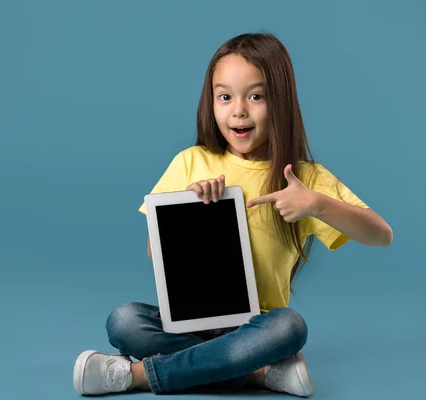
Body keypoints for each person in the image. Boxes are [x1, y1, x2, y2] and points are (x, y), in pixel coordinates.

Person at [72, 32, 393, 397]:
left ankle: (140, 375)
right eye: (225, 97)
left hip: (257, 329)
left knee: (290, 327)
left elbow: (381, 234)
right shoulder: (191, 162)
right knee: (124, 321)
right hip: (191, 323)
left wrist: (317, 204)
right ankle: (256, 372)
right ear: (211, 102)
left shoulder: (304, 179)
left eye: (256, 96)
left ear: (281, 102)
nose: (239, 110)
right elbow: (152, 250)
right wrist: (190, 209)